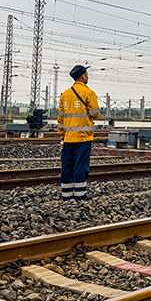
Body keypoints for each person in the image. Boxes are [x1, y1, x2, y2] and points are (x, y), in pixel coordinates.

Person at [57, 65, 99, 201]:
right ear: (83, 76)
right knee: (81, 166)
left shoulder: (65, 94)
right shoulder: (89, 93)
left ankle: (66, 195)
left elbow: (60, 118)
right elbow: (95, 113)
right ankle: (80, 195)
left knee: (67, 166)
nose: (88, 76)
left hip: (68, 138)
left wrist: (62, 135)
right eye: (87, 74)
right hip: (83, 137)